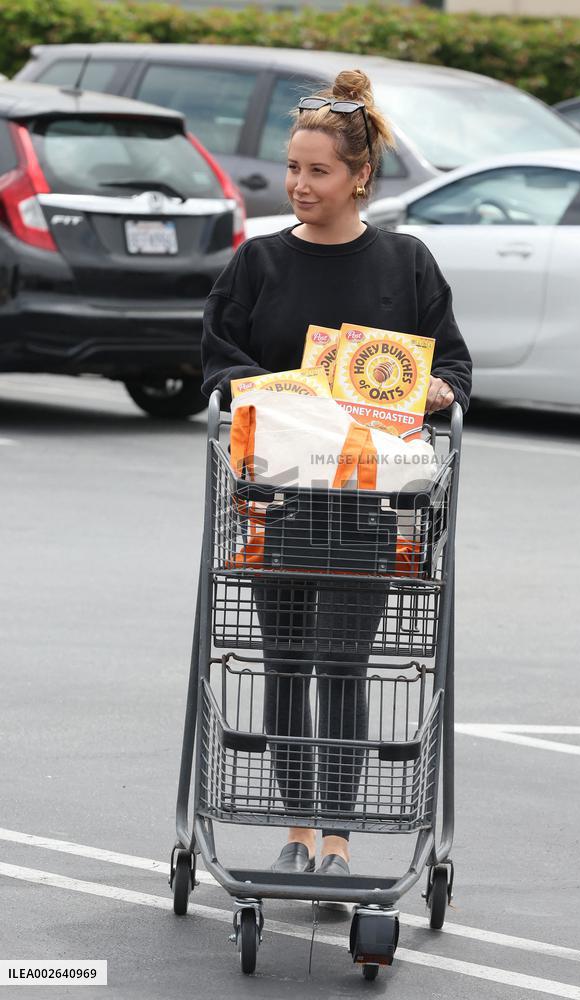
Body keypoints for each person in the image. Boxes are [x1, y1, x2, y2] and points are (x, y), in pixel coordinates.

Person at [201, 69, 472, 876]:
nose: (299, 184)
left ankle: (338, 838)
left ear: (360, 176)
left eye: (318, 170)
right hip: (276, 502)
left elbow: (452, 363)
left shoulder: (405, 263)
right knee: (284, 665)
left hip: (363, 507)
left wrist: (431, 386)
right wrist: (279, 390)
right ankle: (296, 833)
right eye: (292, 168)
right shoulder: (258, 264)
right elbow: (218, 362)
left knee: (346, 670)